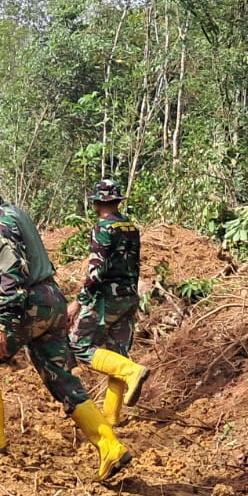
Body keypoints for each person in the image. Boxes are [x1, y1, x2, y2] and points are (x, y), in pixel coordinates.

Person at [0, 164, 130, 481]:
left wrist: (3, 322)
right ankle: (110, 446)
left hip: (29, 303)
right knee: (61, 380)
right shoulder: (14, 212)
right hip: (52, 300)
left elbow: (12, 273)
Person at [69, 178, 151, 426]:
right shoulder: (130, 228)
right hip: (129, 297)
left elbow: (97, 271)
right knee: (118, 353)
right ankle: (111, 417)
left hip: (106, 299)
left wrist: (78, 301)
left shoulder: (103, 228)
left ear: (97, 202)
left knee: (78, 344)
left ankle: (132, 372)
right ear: (117, 200)